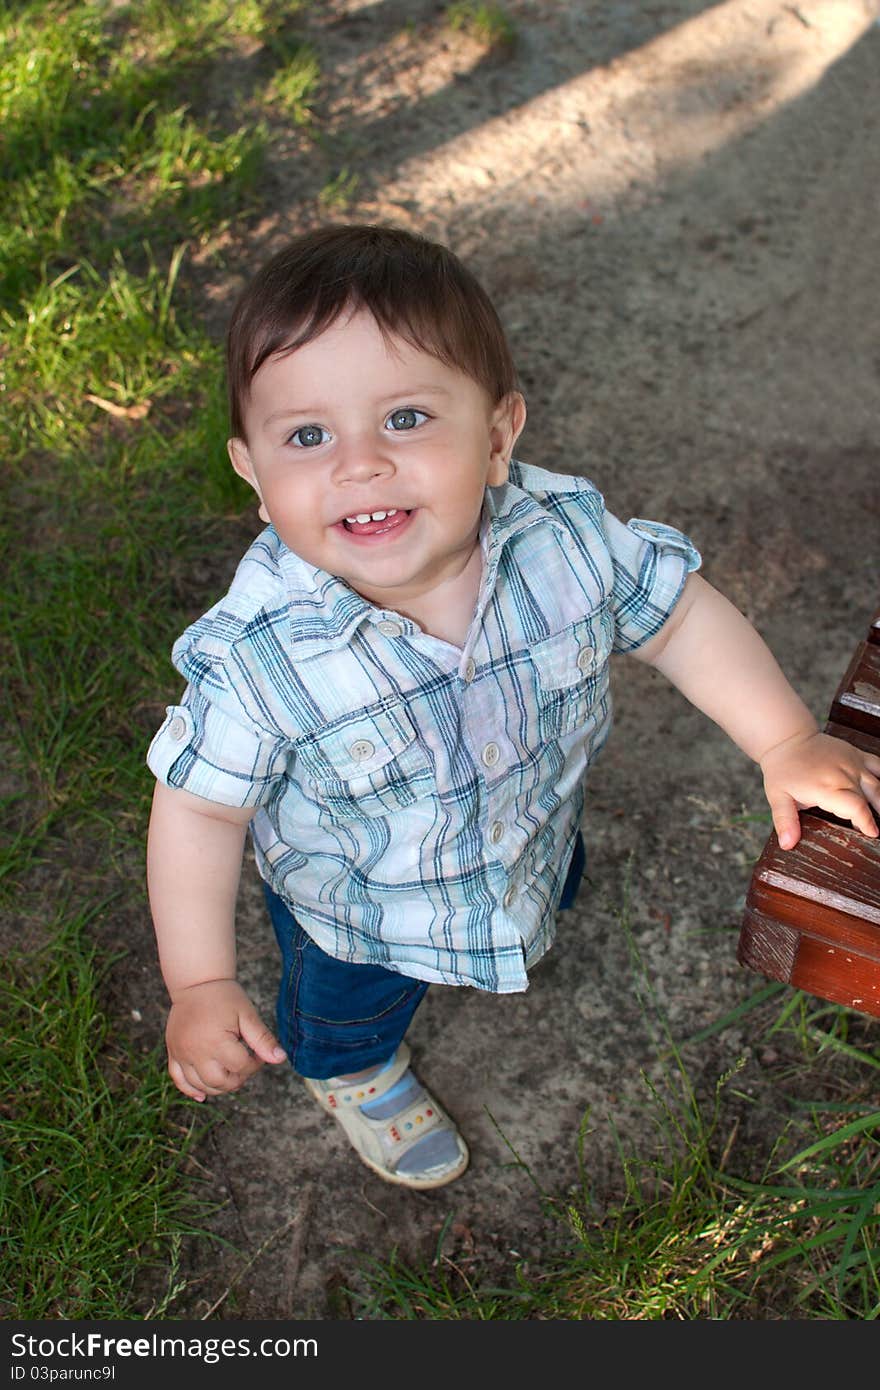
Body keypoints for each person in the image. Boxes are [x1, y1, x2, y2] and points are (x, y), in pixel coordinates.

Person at [146, 224, 880, 1191]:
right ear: (252, 471)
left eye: (406, 419)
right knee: (346, 1011)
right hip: (363, 913)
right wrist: (198, 982)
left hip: (532, 825)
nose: (359, 463)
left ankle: (518, 911)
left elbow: (678, 619)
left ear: (497, 437)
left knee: (545, 879)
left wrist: (782, 736)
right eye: (309, 435)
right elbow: (199, 811)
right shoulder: (261, 658)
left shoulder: (565, 545)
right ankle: (354, 1073)